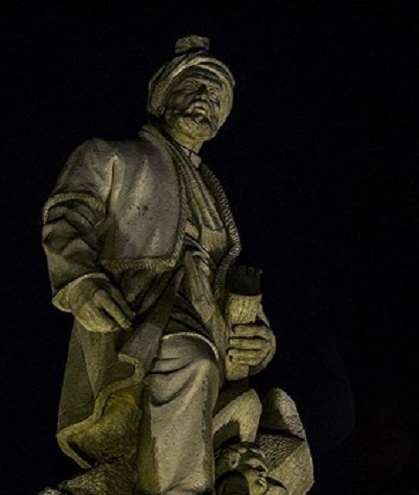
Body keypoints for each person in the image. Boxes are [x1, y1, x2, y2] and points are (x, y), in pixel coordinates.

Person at [41, 35, 276, 495]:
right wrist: (81, 280)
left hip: (209, 319)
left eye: (217, 97)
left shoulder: (213, 192)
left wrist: (260, 337)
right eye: (194, 86)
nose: (205, 99)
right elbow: (67, 215)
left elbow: (223, 274)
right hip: (140, 307)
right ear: (163, 97)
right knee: (188, 360)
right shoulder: (112, 155)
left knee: (204, 374)